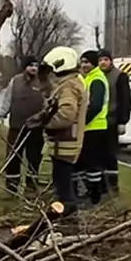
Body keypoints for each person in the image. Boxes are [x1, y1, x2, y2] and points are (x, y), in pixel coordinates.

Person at [39, 47, 89, 209]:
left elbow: (66, 114)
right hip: (64, 144)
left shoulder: (68, 87)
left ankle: (69, 221)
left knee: (64, 189)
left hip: (65, 144)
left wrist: (46, 124)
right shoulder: (70, 83)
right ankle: (67, 217)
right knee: (64, 185)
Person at [0, 57, 49, 193]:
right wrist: (2, 115)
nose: (34, 68)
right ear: (25, 67)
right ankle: (12, 185)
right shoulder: (15, 80)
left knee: (34, 157)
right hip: (16, 126)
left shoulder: (43, 82)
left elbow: (48, 101)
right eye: (30, 65)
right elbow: (8, 99)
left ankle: (31, 186)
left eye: (36, 66)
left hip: (36, 127)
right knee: (13, 156)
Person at [76, 50, 111, 205]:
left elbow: (96, 106)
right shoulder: (88, 78)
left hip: (95, 127)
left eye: (87, 62)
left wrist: (83, 121)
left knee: (92, 164)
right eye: (82, 62)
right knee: (87, 162)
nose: (84, 65)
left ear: (94, 63)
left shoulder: (96, 79)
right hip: (90, 127)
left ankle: (95, 196)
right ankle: (92, 192)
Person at [97, 50, 131, 194]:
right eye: (100, 60)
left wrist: (122, 121)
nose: (103, 63)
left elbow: (125, 99)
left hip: (111, 120)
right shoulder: (96, 76)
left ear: (111, 61)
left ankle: (113, 184)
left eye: (106, 59)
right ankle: (101, 185)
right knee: (98, 154)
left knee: (110, 155)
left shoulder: (119, 76)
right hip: (97, 121)